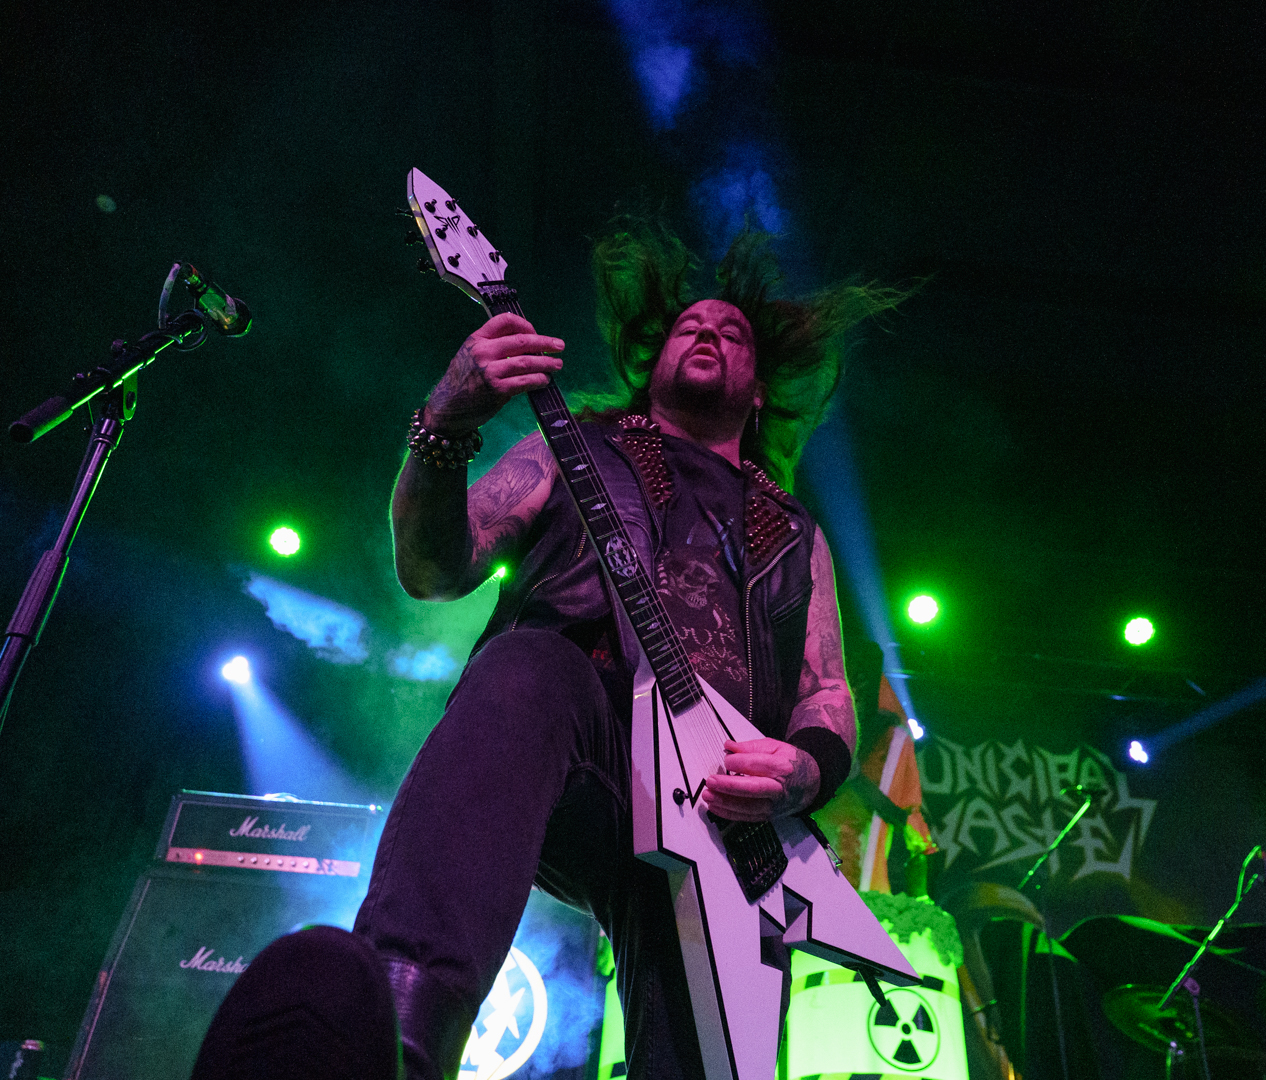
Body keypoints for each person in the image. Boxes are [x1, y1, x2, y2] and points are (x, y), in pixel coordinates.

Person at [191, 226, 904, 1080]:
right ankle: (392, 1037)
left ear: (759, 393)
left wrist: (805, 771)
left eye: (732, 331)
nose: (708, 330)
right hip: (575, 737)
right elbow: (434, 569)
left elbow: (826, 690)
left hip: (725, 814)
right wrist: (443, 425)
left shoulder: (793, 531)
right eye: (689, 324)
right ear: (652, 363)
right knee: (529, 665)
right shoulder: (576, 451)